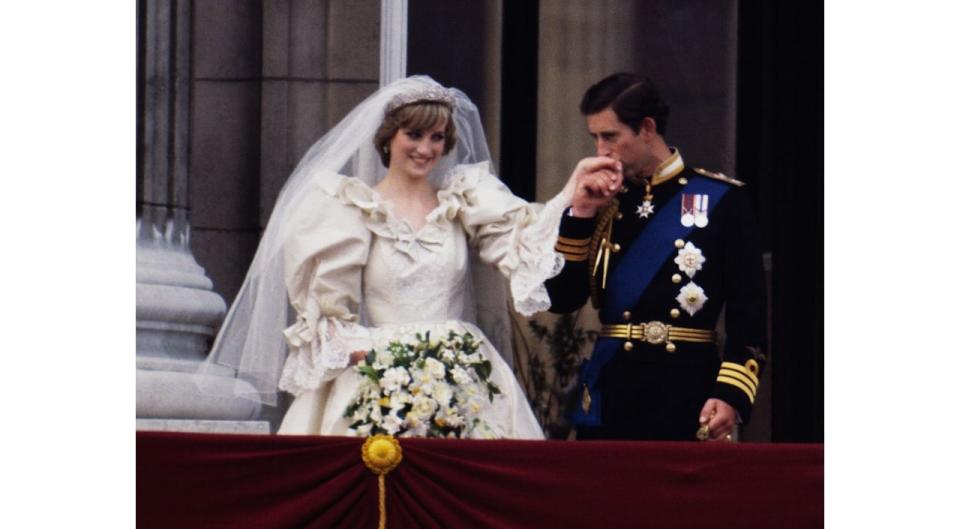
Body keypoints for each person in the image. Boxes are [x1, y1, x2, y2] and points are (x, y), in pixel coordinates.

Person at [200, 76, 609, 439]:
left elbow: (524, 247)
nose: (425, 148)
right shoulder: (350, 208)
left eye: (436, 138)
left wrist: (572, 195)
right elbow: (328, 318)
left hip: (461, 370)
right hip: (377, 373)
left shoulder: (464, 199)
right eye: (414, 135)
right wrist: (391, 366)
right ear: (388, 137)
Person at [546, 73, 767, 442]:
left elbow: (750, 313)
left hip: (687, 391)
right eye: (595, 138)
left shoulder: (722, 200)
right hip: (612, 391)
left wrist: (730, 393)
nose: (601, 150)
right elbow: (561, 299)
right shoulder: (601, 203)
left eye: (610, 136)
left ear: (647, 128)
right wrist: (580, 215)